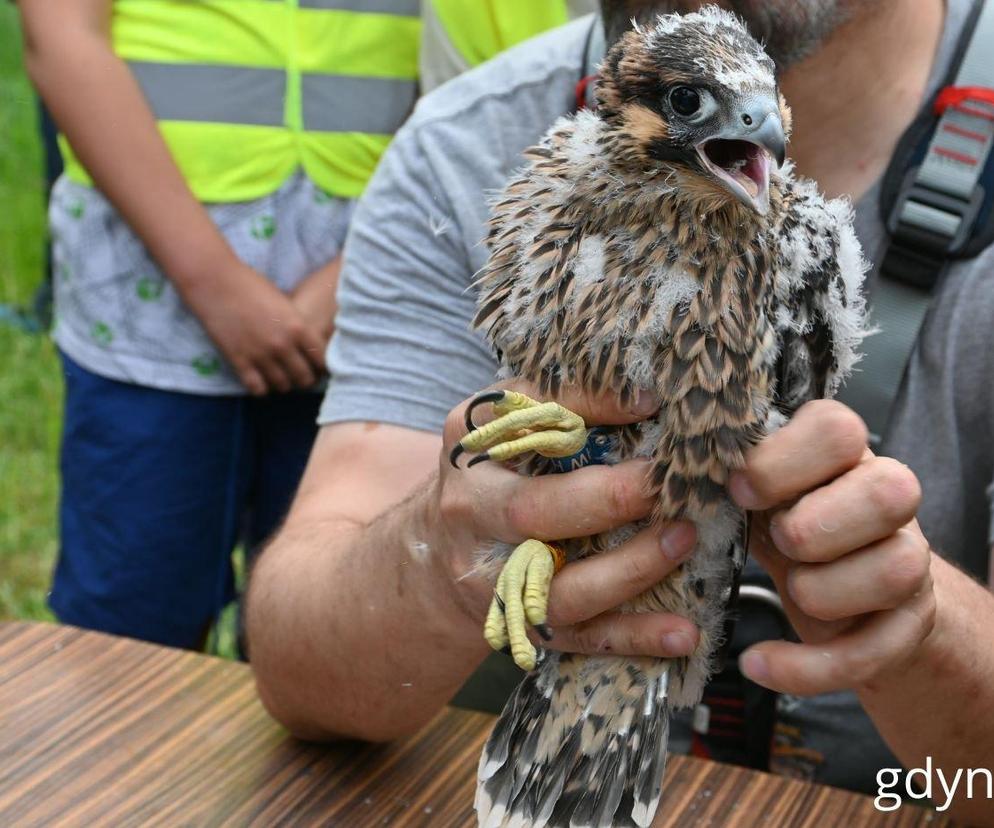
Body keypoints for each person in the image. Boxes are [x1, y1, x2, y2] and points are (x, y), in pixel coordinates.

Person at [246, 0, 994, 822]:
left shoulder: (805, 239)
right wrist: (442, 557)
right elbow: (298, 669)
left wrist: (929, 631)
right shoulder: (476, 145)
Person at [15, 0, 419, 649]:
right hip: (152, 300)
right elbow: (61, 35)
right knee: (129, 644)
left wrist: (359, 272)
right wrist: (213, 283)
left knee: (339, 633)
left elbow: (475, 57)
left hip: (367, 290)